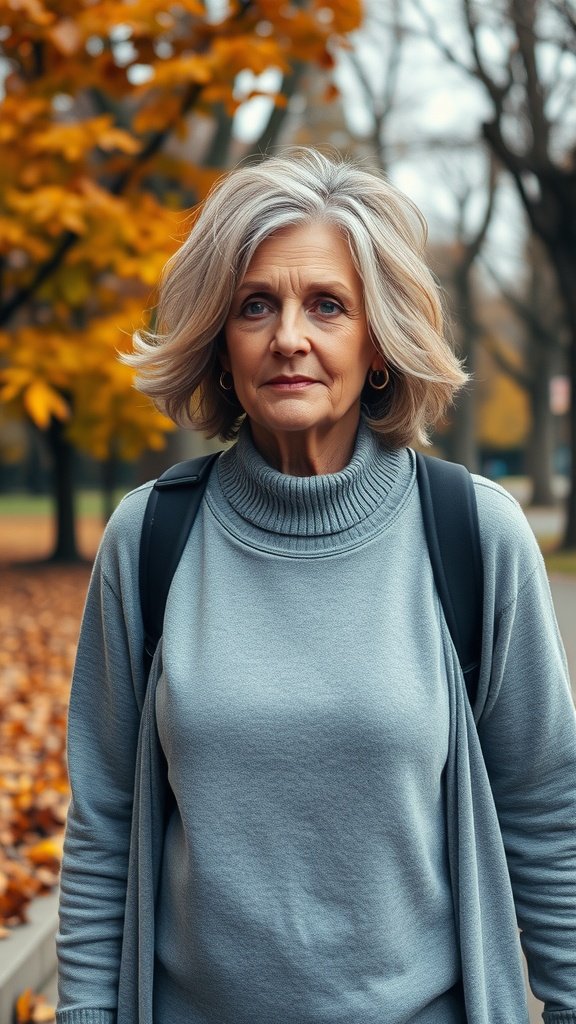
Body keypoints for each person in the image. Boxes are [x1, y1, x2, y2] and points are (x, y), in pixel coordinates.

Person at [56, 149, 576, 1024]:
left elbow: (548, 806)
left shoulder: (473, 534)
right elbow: (103, 823)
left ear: (376, 341)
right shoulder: (149, 539)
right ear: (222, 341)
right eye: (256, 304)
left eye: (326, 305)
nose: (288, 336)